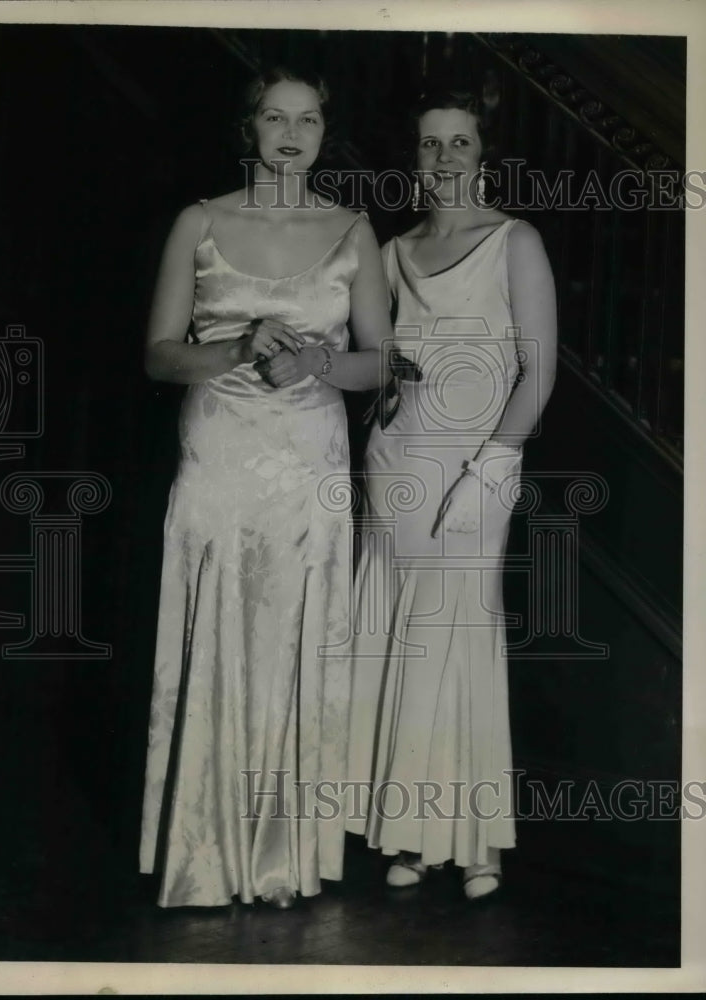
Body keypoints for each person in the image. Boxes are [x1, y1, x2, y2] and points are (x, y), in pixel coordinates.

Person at [139, 66, 392, 910]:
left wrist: (318, 360)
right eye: (276, 118)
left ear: (325, 132)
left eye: (310, 120)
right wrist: (241, 346)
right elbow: (159, 354)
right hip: (220, 446)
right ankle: (203, 855)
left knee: (297, 636)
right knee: (217, 629)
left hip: (311, 455)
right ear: (249, 128)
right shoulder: (200, 222)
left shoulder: (355, 228)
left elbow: (383, 363)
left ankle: (284, 857)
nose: (292, 134)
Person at [346, 87, 557, 899]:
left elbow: (540, 372)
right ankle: (411, 833)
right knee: (403, 636)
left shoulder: (516, 240)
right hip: (396, 462)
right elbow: (389, 361)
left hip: (477, 467)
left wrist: (492, 467)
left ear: (483, 153)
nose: (444, 159)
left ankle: (476, 845)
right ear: (416, 156)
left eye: (459, 143)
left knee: (459, 634)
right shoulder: (394, 250)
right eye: (430, 144)